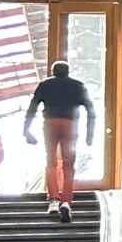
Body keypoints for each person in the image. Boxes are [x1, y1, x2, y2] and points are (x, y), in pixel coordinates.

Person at [21, 61, 94, 222]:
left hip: (50, 123)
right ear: (68, 71)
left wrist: (26, 130)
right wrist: (90, 134)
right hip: (70, 124)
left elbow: (32, 107)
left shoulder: (45, 85)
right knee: (68, 164)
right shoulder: (78, 85)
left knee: (51, 162)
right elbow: (90, 109)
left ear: (53, 71)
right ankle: (66, 201)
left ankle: (53, 199)